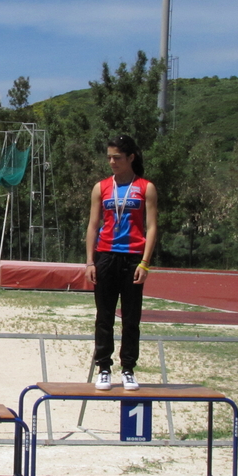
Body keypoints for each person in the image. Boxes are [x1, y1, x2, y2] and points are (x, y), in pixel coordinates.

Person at [84, 135, 158, 391]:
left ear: (131, 158)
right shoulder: (101, 187)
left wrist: (145, 262)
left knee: (131, 317)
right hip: (105, 256)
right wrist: (90, 262)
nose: (112, 162)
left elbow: (152, 227)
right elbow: (93, 225)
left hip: (133, 258)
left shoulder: (145, 187)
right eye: (109, 158)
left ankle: (128, 368)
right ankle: (103, 367)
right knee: (104, 316)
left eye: (117, 157)